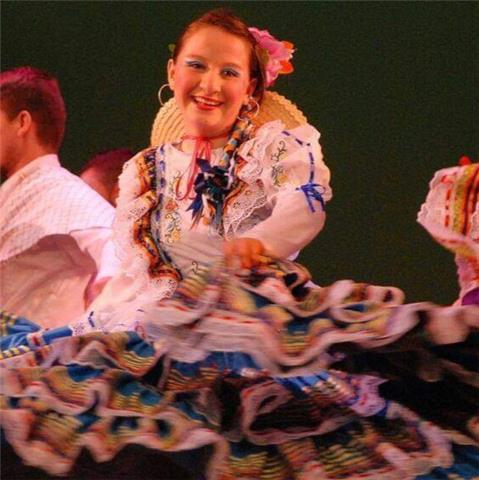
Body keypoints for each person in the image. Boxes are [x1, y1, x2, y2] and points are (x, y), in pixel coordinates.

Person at [1, 10, 478, 480]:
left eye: (228, 72)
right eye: (197, 65)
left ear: (250, 87)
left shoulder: (275, 149)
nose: (210, 83)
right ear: (173, 72)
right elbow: (132, 271)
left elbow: (304, 205)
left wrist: (258, 243)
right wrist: (85, 331)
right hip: (149, 333)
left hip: (243, 334)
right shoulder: (142, 171)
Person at [0, 66, 119, 328]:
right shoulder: (21, 192)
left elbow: (120, 244)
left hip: (33, 358)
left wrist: (103, 312)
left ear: (22, 122)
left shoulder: (60, 189)